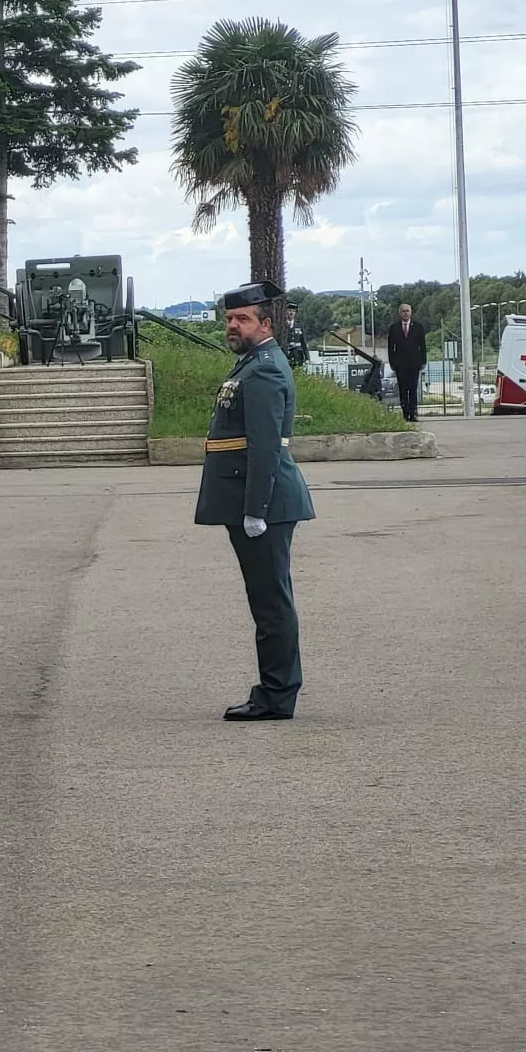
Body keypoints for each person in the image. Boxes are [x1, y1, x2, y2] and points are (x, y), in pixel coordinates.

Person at [198, 282, 316, 723]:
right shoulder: (252, 363)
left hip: (265, 503)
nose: (232, 325)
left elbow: (265, 446)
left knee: (271, 603)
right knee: (266, 599)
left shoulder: (264, 368)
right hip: (253, 497)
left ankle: (276, 695)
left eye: (242, 319)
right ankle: (275, 689)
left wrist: (255, 510)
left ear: (265, 324)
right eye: (229, 318)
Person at [386, 303, 428, 422]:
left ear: (411, 312)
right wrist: (392, 362)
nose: (405, 313)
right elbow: (390, 347)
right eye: (403, 311)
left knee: (413, 388)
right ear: (400, 313)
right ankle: (405, 413)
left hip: (414, 363)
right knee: (403, 389)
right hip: (400, 364)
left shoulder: (418, 327)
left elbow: (423, 346)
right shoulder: (394, 328)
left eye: (407, 311)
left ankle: (413, 412)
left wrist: (423, 361)